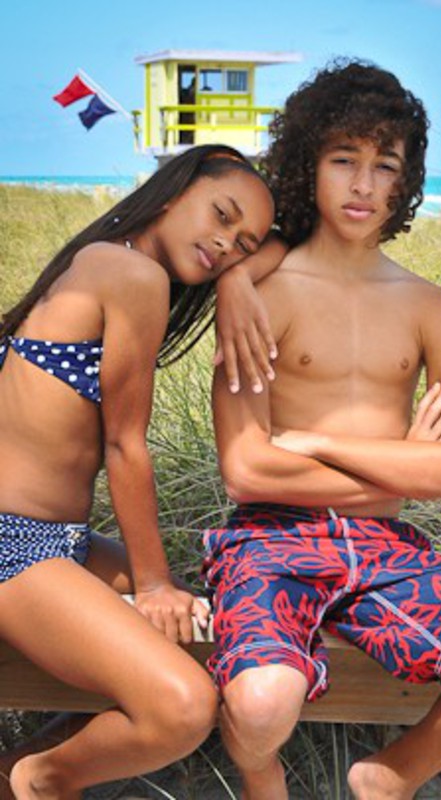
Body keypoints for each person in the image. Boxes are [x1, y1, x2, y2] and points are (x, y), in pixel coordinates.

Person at [203, 61, 441, 800]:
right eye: (343, 159)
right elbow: (248, 471)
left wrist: (316, 443)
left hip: (387, 548)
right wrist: (407, 461)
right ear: (308, 164)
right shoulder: (260, 295)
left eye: (384, 165)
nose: (362, 185)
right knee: (261, 705)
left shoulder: (430, 309)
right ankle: (263, 780)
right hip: (271, 538)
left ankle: (387, 777)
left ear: (404, 180)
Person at [0, 143, 283, 799]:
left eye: (242, 244)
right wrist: (152, 584)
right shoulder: (130, 274)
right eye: (221, 215)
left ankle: (15, 770)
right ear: (173, 191)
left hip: (57, 541)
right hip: (11, 542)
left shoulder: (105, 259)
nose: (226, 244)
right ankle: (39, 779)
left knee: (207, 629)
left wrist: (237, 278)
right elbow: (125, 445)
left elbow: (290, 241)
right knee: (182, 704)